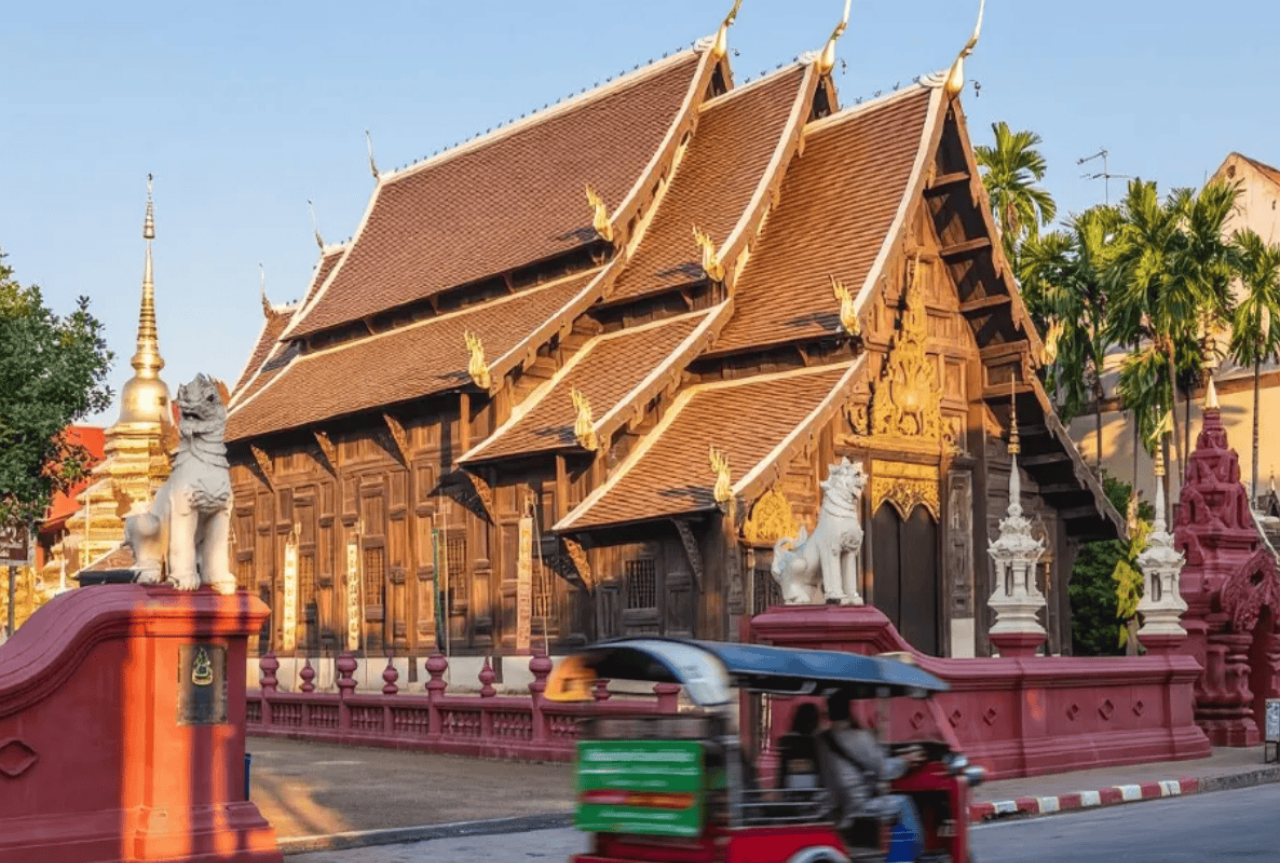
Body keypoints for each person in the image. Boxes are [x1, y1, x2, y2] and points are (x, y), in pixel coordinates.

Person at [815, 691, 925, 855]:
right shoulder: (859, 737)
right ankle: (905, 857)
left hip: (836, 807)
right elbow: (883, 771)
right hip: (860, 806)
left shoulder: (821, 739)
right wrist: (905, 761)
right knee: (904, 804)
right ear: (849, 710)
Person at [776, 702, 821, 790]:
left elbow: (783, 768)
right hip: (814, 785)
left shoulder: (786, 741)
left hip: (791, 784)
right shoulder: (819, 741)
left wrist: (780, 788)